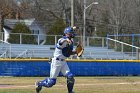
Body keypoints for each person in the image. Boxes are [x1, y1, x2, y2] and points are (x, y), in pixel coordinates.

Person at [35, 26, 77, 93]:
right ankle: (39, 83)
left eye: (72, 32)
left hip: (63, 62)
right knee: (51, 83)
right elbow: (60, 42)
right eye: (70, 33)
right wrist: (66, 39)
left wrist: (76, 52)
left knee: (70, 77)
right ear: (66, 34)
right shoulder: (62, 39)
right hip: (56, 62)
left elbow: (67, 53)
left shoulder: (71, 41)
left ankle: (70, 91)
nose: (72, 34)